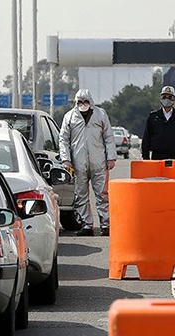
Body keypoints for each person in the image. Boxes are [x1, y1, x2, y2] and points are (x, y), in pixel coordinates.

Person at [59, 89, 117, 237]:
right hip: (78, 163)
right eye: (80, 102)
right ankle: (87, 224)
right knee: (81, 195)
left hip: (99, 162)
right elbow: (63, 139)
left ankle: (106, 224)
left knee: (102, 194)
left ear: (91, 102)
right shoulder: (69, 117)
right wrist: (66, 159)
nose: (83, 104)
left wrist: (111, 158)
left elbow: (109, 137)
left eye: (85, 101)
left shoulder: (100, 114)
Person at [141, 86, 175, 160]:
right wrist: (146, 159)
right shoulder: (153, 117)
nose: (167, 99)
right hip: (156, 157)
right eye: (164, 97)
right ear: (160, 99)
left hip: (174, 157)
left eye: (170, 97)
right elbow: (146, 139)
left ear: (174, 99)